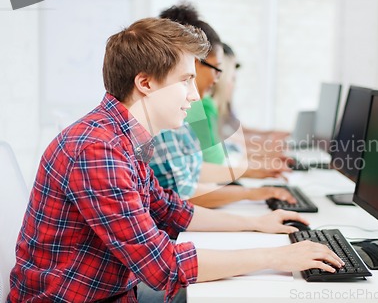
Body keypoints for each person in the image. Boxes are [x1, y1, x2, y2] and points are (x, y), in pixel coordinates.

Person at [7, 17, 343, 303]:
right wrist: (278, 256)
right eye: (185, 80)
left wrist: (256, 223)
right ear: (145, 83)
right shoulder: (99, 149)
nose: (195, 95)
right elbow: (163, 267)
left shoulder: (125, 138)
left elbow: (170, 209)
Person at [150, 3, 294, 208]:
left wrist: (254, 172)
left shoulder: (184, 110)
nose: (219, 79)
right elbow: (187, 190)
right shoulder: (172, 115)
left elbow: (193, 168)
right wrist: (251, 191)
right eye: (217, 69)